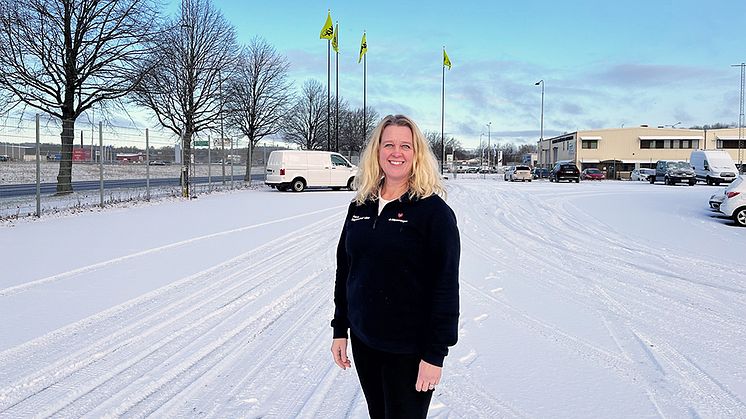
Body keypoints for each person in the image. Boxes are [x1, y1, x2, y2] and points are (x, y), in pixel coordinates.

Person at [330, 114, 460, 418]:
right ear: (377, 152)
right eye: (388, 144)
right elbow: (346, 271)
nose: (396, 152)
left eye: (405, 145)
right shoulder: (359, 205)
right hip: (366, 343)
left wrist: (434, 355)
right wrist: (341, 328)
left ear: (417, 155)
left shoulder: (434, 213)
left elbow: (445, 287)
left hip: (410, 351)